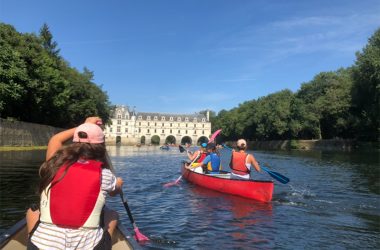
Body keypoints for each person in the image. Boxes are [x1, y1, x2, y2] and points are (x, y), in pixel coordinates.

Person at [26, 117, 123, 250]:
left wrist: (84, 125)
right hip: (89, 246)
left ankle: (32, 239)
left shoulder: (52, 165)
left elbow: (56, 140)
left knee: (32, 212)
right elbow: (114, 192)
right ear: (101, 147)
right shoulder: (105, 175)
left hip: (41, 246)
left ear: (74, 142)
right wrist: (118, 183)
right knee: (112, 215)